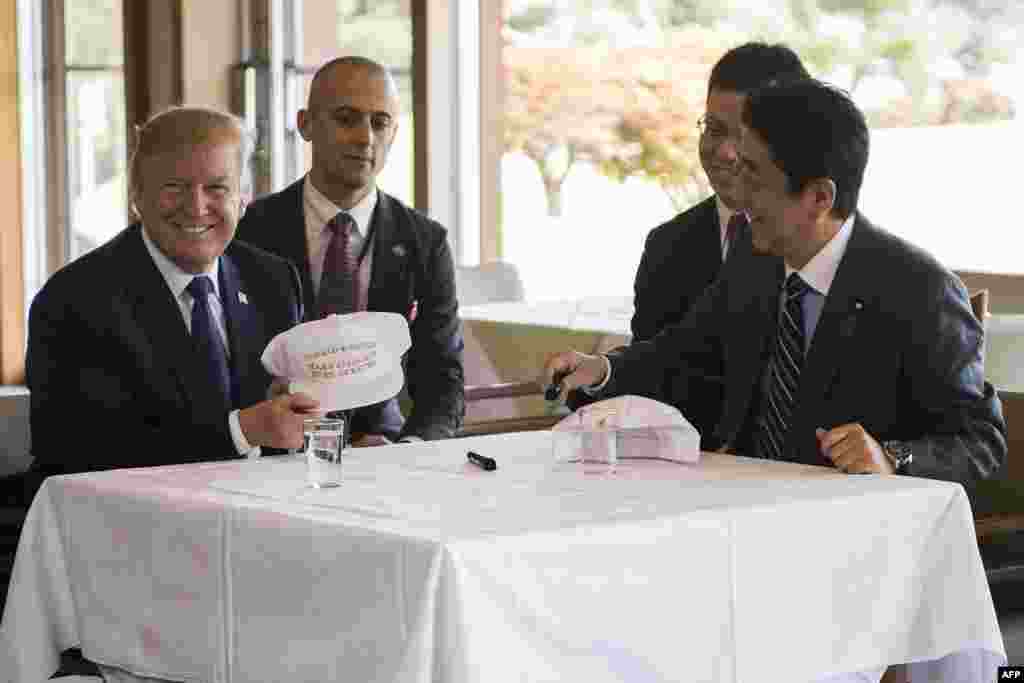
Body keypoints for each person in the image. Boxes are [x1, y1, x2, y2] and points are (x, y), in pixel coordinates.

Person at [545, 79, 1006, 486]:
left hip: (852, 533)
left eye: (755, 176)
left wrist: (890, 456)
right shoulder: (753, 262)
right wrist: (601, 369)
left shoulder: (919, 289)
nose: (739, 193)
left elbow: (980, 442)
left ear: (820, 197)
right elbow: (678, 354)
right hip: (740, 504)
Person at [26, 106, 318, 480]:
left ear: (243, 198)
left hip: (257, 520)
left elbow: (289, 427)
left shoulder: (272, 280)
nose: (196, 207)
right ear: (137, 196)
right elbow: (74, 450)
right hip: (122, 528)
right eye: (174, 188)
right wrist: (241, 431)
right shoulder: (74, 300)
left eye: (216, 187)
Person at [572, 43, 810, 442]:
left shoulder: (819, 245)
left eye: (743, 135)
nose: (724, 152)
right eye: (714, 130)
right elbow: (656, 369)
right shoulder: (668, 246)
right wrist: (601, 371)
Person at [236, 56, 464, 445]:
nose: (365, 138)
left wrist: (409, 450)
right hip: (274, 453)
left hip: (386, 452)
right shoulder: (248, 230)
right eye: (346, 118)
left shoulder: (426, 243)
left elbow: (443, 379)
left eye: (380, 122)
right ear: (305, 124)